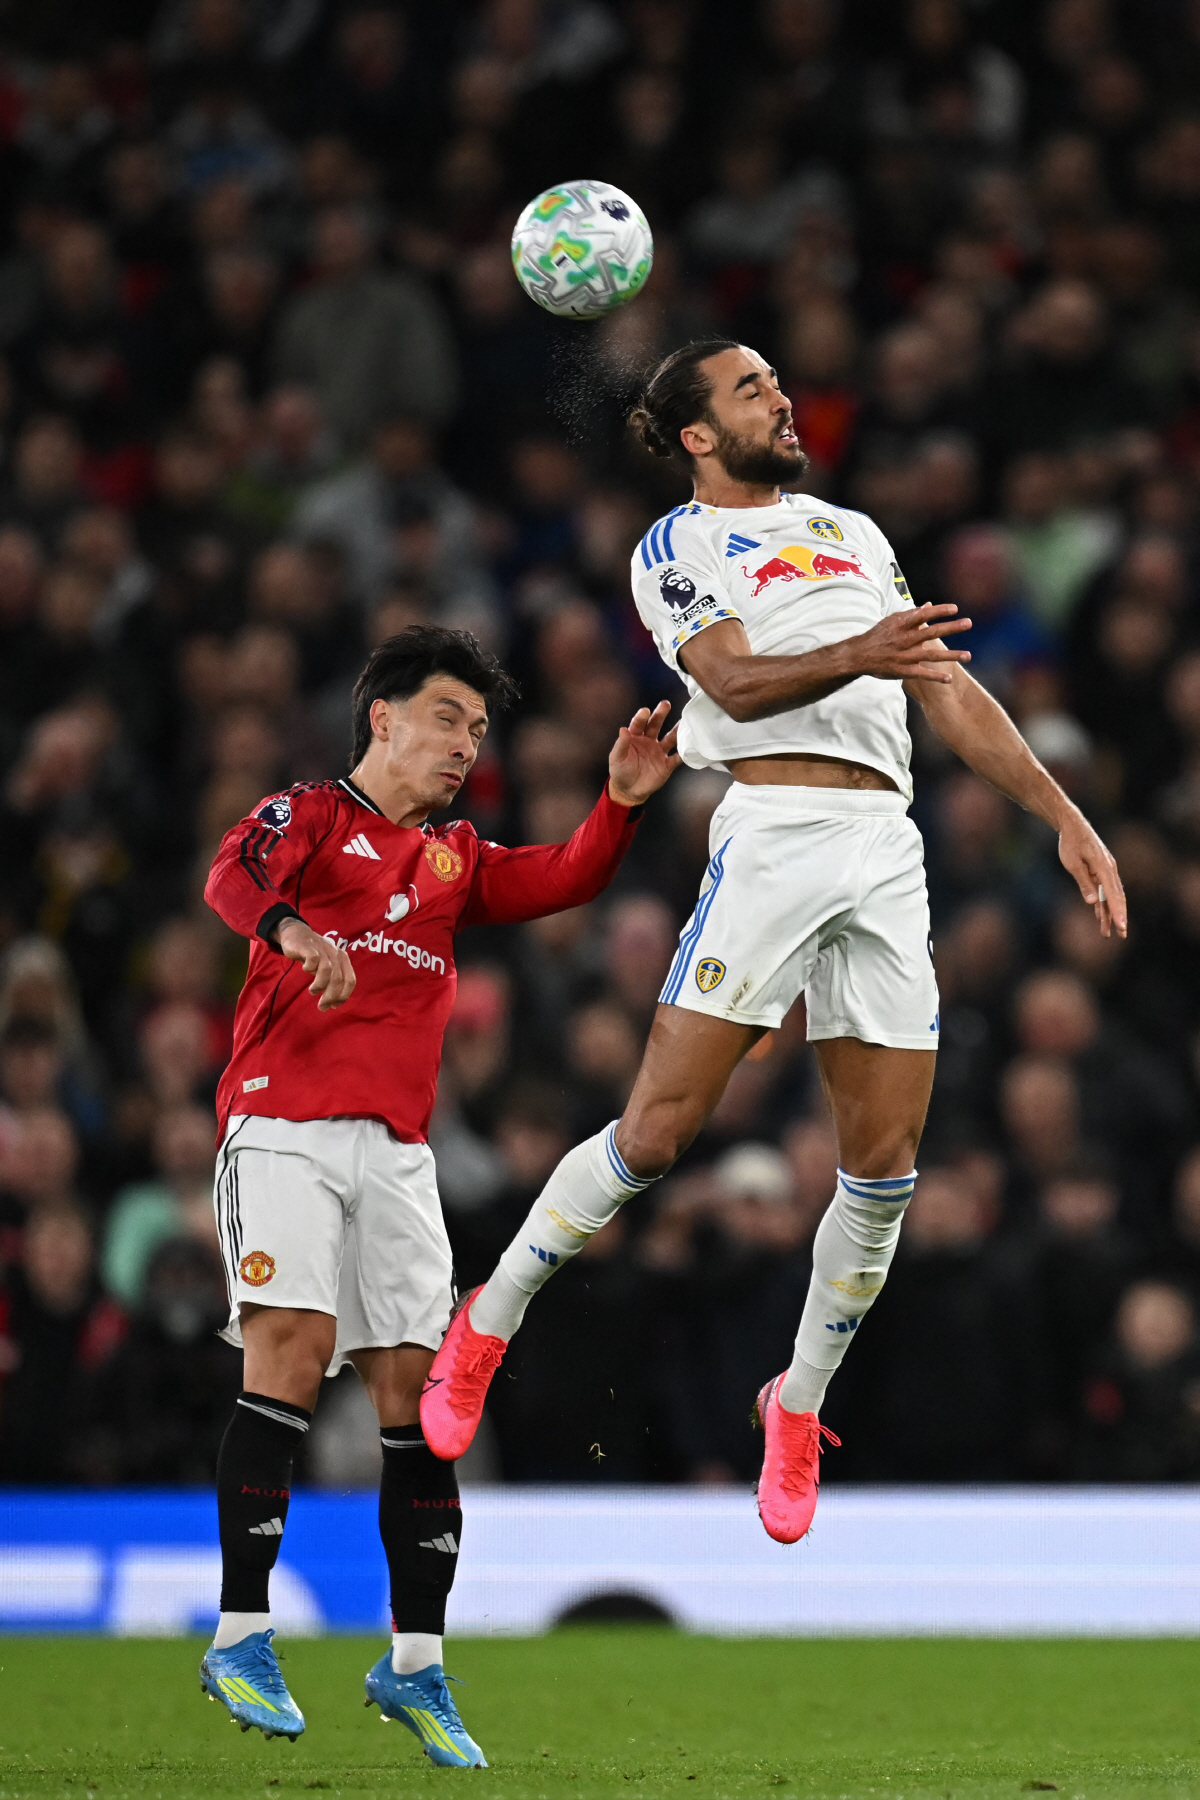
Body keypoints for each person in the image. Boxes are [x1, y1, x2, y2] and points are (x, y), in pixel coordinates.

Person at [419, 338, 1127, 1545]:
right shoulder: (678, 547)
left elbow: (944, 687)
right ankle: (489, 1317)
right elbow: (735, 686)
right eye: (751, 389)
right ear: (697, 434)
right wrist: (866, 652)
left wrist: (1062, 815)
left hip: (885, 840)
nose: (781, 399)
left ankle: (795, 1404)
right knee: (655, 1133)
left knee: (885, 1170)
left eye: (778, 383)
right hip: (776, 830)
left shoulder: (852, 530)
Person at [199, 625, 677, 1762]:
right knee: (289, 1349)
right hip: (283, 1123)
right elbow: (228, 877)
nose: (468, 745)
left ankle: (416, 1663)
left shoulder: (455, 860)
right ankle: (240, 1635)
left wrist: (619, 802)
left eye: (480, 729)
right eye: (449, 719)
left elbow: (564, 876)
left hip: (399, 1151)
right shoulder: (311, 815)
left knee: (419, 1401)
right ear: (384, 717)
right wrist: (293, 931)